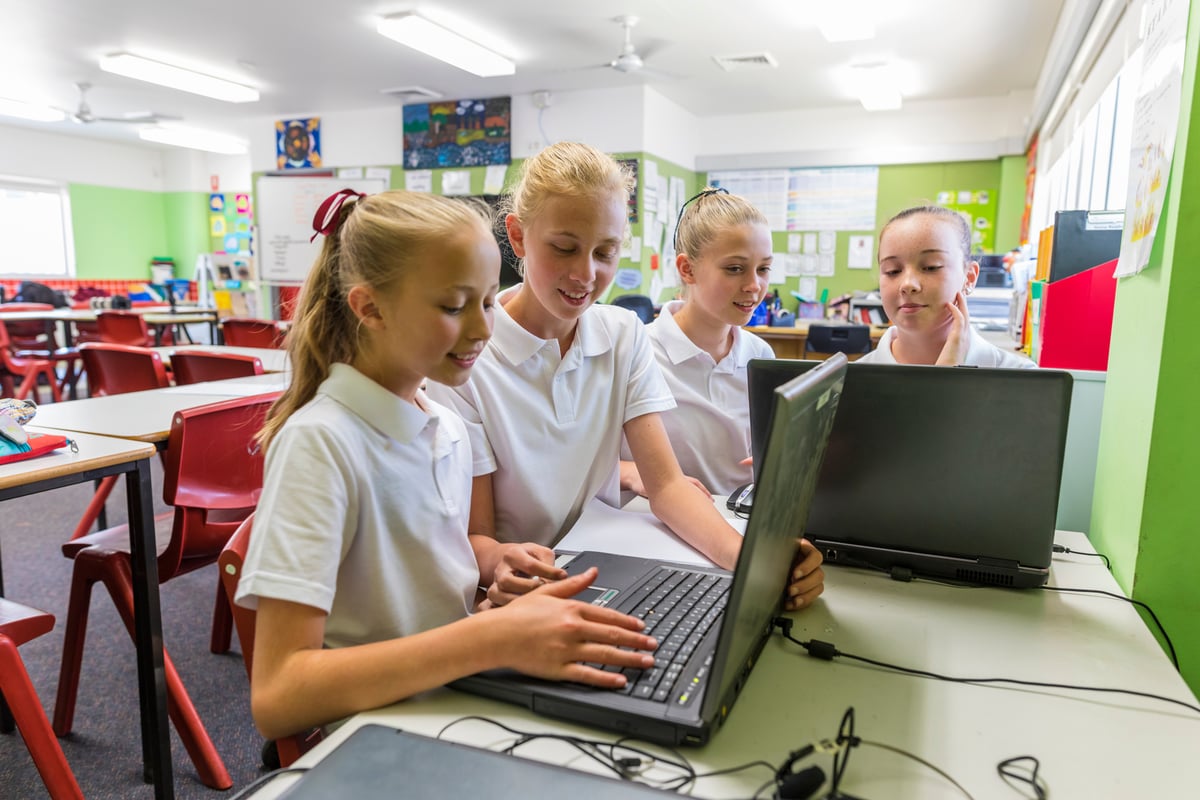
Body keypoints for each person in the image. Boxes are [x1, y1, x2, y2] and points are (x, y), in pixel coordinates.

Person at [235, 189, 657, 740]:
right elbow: (278, 696)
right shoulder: (321, 444)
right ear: (369, 308)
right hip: (380, 737)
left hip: (456, 703)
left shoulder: (446, 426)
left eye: (486, 302)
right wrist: (492, 638)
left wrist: (499, 567)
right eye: (454, 307)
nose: (484, 330)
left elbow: (432, 594)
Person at [425, 143, 824, 613]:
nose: (585, 273)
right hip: (523, 599)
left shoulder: (622, 334)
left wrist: (754, 562)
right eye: (564, 248)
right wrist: (501, 565)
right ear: (517, 237)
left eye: (605, 251)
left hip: (606, 571)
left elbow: (669, 487)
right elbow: (478, 537)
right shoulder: (469, 358)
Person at [618, 187, 775, 497]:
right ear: (687, 269)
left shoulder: (760, 355)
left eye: (763, 268)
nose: (755, 286)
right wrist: (630, 472)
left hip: (740, 521)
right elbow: (585, 458)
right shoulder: (638, 353)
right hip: (652, 529)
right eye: (735, 268)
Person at [859, 205, 1034, 368]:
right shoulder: (848, 382)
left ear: (969, 277)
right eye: (893, 271)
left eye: (931, 267)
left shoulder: (1025, 379)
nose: (908, 284)